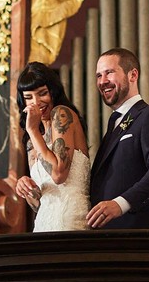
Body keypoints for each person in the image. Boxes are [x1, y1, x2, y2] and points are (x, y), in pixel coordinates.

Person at [87, 47, 149, 229]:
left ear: (133, 75)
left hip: (139, 237)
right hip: (108, 239)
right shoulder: (115, 124)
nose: (103, 81)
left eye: (109, 73)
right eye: (98, 76)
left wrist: (120, 204)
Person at [12, 62, 91, 232]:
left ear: (53, 92)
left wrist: (32, 130)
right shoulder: (31, 142)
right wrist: (27, 189)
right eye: (29, 97)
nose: (36, 102)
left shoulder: (62, 114)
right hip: (42, 224)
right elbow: (38, 204)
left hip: (70, 218)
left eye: (42, 94)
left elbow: (58, 174)